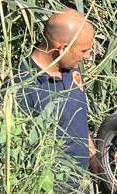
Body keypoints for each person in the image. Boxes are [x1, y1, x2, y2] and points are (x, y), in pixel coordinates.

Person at [13, 8, 99, 177]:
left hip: (81, 184)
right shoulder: (22, 88)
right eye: (84, 50)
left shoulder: (71, 67)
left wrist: (93, 157)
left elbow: (77, 116)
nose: (88, 56)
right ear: (62, 48)